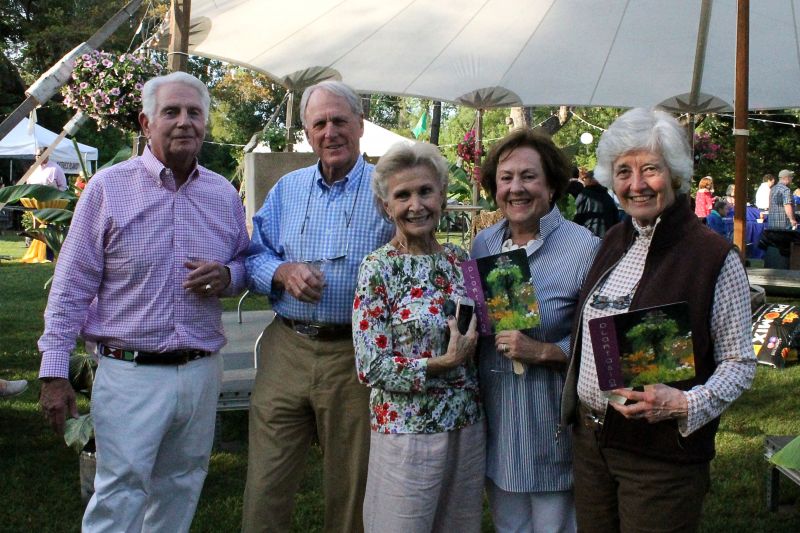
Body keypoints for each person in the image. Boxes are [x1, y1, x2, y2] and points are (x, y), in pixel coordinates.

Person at [37, 71, 250, 532]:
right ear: (145, 122)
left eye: (194, 112)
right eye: (171, 111)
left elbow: (245, 264)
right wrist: (54, 373)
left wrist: (229, 275)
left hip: (199, 370)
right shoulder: (109, 190)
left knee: (183, 483)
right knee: (120, 491)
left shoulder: (222, 195)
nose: (184, 122)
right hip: (129, 372)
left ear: (206, 125)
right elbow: (71, 285)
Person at [560, 108, 756, 532]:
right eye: (623, 171)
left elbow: (740, 363)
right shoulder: (613, 239)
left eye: (650, 169)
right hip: (592, 443)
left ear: (675, 174)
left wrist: (685, 403)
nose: (636, 184)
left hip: (660, 459)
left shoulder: (712, 257)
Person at [243, 80, 395, 533]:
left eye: (340, 121)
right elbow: (255, 254)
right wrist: (281, 272)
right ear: (308, 133)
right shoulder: (287, 189)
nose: (330, 132)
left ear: (360, 125)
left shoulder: (388, 190)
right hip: (286, 347)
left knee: (351, 485)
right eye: (320, 124)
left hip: (355, 355)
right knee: (266, 480)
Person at [353, 141, 484, 532]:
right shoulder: (377, 268)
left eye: (425, 191)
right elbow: (370, 366)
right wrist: (440, 365)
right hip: (406, 431)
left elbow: (486, 329)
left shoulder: (460, 261)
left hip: (466, 423)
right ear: (386, 206)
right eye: (403, 195)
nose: (416, 205)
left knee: (458, 525)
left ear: (442, 195)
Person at [474, 129, 600, 532]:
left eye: (528, 176)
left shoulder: (583, 248)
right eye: (506, 177)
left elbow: (599, 342)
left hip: (550, 423)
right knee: (509, 526)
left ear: (551, 185)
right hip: (497, 421)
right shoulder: (483, 246)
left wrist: (544, 351)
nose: (516, 188)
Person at [573, 169, 619, 238]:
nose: (584, 181)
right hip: (607, 238)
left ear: (590, 179)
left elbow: (577, 217)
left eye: (585, 178)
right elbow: (615, 219)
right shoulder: (607, 197)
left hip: (588, 237)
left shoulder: (584, 195)